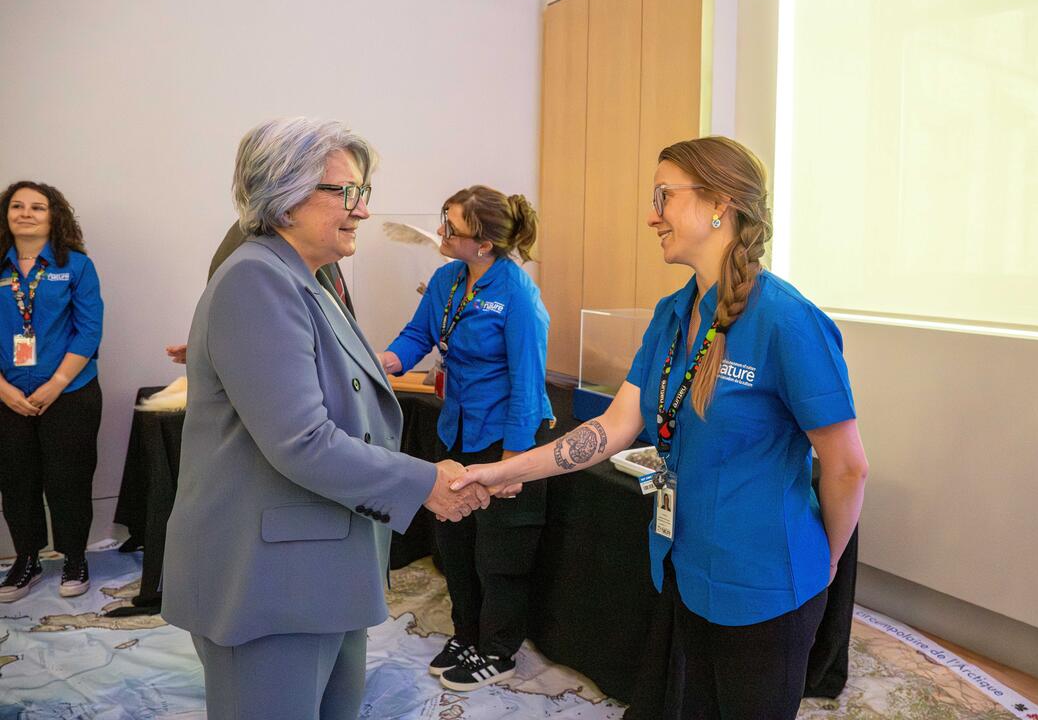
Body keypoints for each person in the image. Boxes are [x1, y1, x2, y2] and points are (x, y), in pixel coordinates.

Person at [452, 137, 870, 719]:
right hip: (685, 566)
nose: (652, 215)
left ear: (719, 203)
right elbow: (615, 425)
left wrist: (823, 567)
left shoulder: (789, 323)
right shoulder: (674, 313)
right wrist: (505, 469)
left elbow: (848, 466)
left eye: (663, 196)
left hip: (766, 584)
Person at [160, 117, 492, 720]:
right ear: (282, 197)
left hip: (317, 570)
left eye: (362, 192)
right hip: (268, 582)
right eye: (345, 192)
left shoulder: (304, 279)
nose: (361, 210)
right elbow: (302, 441)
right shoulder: (258, 278)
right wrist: (425, 484)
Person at [378, 185, 553, 690]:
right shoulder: (447, 279)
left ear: (484, 243)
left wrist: (515, 461)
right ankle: (467, 634)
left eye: (451, 227)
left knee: (498, 554)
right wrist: (387, 361)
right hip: (456, 429)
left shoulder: (518, 294)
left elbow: (528, 378)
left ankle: (497, 652)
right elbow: (419, 335)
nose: (440, 232)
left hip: (506, 439)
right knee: (454, 542)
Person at [0, 182, 104, 603]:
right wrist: (3, 390)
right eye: (17, 206)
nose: (26, 213)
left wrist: (56, 384)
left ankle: (75, 558)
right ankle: (26, 560)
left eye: (37, 207)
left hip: (70, 393)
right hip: (7, 397)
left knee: (69, 480)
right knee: (16, 481)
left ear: (53, 216)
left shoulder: (76, 266)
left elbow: (89, 329)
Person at [164, 222, 353, 364]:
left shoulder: (317, 244)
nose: (360, 209)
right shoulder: (253, 244)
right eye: (342, 190)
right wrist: (221, 349)